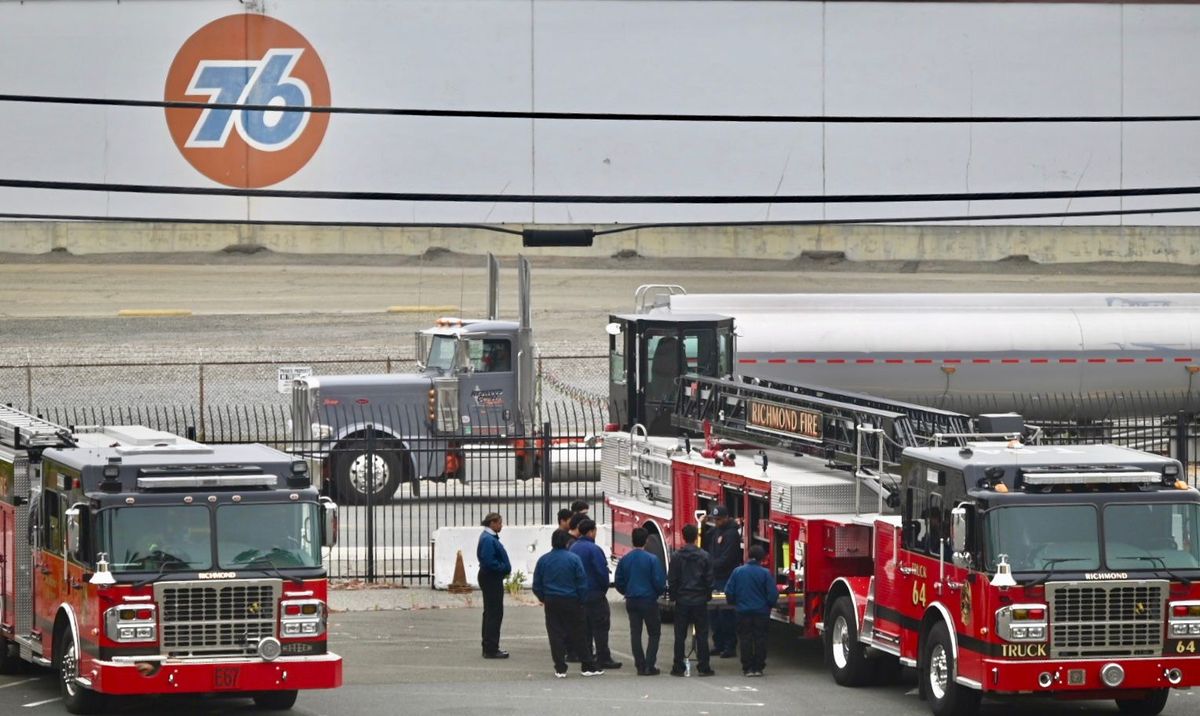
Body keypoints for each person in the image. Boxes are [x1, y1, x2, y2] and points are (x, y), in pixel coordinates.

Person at [532, 529, 604, 678]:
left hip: (551, 600)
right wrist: (581, 599)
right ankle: (587, 665)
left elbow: (537, 584)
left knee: (555, 634)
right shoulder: (574, 559)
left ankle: (560, 667)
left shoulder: (543, 560)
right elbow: (581, 581)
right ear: (566, 543)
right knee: (579, 633)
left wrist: (543, 597)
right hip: (572, 599)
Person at [570, 519, 622, 669]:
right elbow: (601, 572)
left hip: (579, 595)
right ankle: (603, 657)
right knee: (600, 626)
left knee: (585, 627)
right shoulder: (594, 549)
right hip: (594, 593)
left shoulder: (573, 548)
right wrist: (603, 589)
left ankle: (587, 656)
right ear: (591, 532)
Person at [614, 527, 667, 675]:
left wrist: (627, 591)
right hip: (648, 599)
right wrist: (657, 593)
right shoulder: (652, 559)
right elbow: (659, 581)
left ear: (632, 541)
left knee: (635, 633)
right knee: (654, 633)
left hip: (632, 599)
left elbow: (619, 581)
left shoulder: (625, 559)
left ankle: (640, 665)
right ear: (646, 541)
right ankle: (650, 665)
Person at [668, 523, 715, 677]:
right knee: (702, 634)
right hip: (699, 600)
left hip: (682, 600)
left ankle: (678, 666)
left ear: (683, 537)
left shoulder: (676, 556)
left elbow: (672, 579)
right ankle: (704, 666)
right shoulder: (704, 556)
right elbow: (709, 579)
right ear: (696, 537)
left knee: (680, 635)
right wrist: (707, 595)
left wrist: (674, 596)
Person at [724, 545, 779, 677]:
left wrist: (734, 603)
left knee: (745, 638)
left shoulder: (738, 571)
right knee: (760, 638)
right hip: (761, 611)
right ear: (762, 558)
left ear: (748, 556)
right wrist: (768, 605)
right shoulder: (765, 573)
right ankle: (758, 667)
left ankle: (747, 667)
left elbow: (729, 591)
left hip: (743, 611)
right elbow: (773, 594)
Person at [705, 505, 742, 658]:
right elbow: (705, 540)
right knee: (713, 613)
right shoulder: (716, 531)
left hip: (726, 578)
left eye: (719, 519)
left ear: (726, 518)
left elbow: (727, 558)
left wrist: (710, 565)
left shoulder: (732, 534)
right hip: (714, 577)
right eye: (714, 519)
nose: (716, 522)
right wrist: (702, 525)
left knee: (726, 613)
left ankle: (729, 646)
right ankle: (718, 644)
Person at [476, 512, 512, 659]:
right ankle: (491, 648)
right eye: (499, 523)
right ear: (492, 523)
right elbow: (489, 562)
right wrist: (503, 568)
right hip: (491, 578)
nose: (501, 525)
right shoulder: (488, 539)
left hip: (490, 577)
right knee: (494, 613)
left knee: (491, 612)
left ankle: (489, 645)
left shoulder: (488, 538)